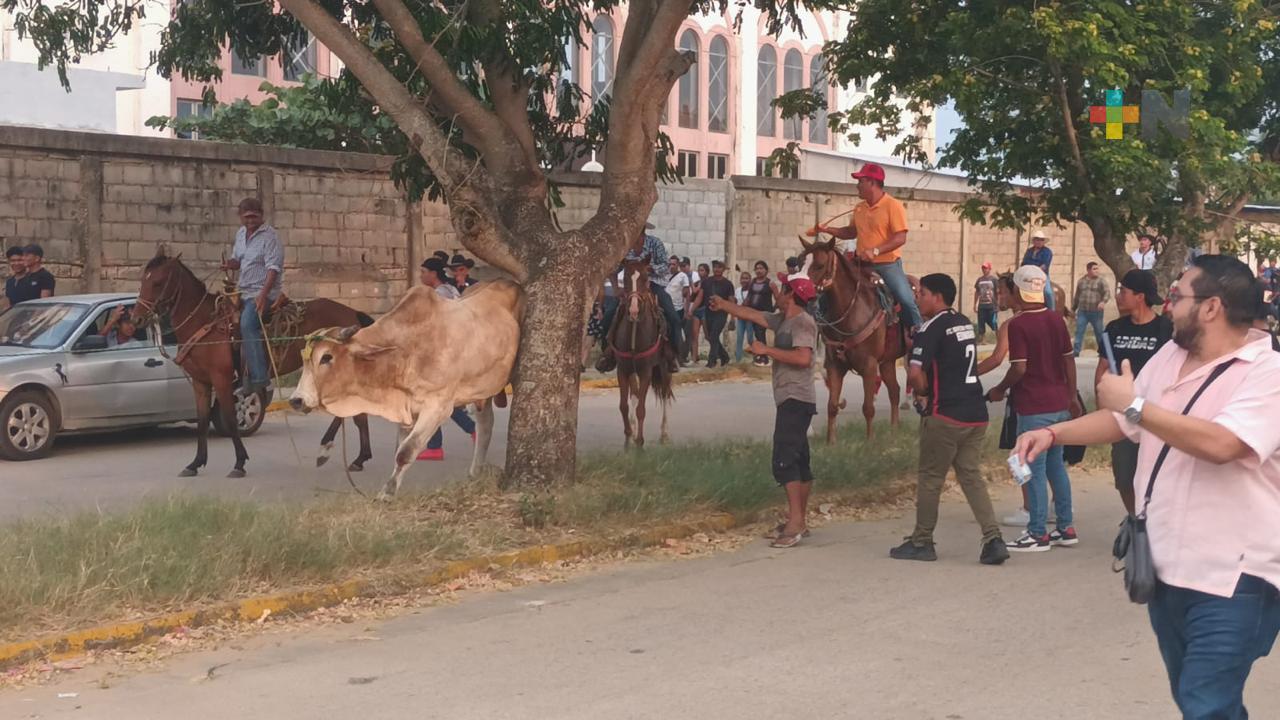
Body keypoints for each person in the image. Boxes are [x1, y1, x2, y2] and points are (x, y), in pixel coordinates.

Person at [1015, 255, 1280, 718]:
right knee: (1195, 698)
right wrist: (1053, 434)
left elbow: (1224, 444)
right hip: (1165, 567)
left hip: (1236, 577)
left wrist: (1134, 405)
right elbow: (1124, 422)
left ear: (1212, 307)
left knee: (1206, 701)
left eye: (1178, 296)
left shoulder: (1267, 373)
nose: (1168, 306)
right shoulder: (1171, 356)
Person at [891, 273, 1009, 565]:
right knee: (971, 476)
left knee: (931, 478)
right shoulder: (963, 323)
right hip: (975, 413)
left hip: (945, 414)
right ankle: (993, 538)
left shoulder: (930, 328)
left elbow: (915, 373)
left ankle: (922, 541)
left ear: (937, 297)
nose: (917, 297)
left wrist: (923, 393)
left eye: (922, 293)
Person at [709, 272, 819, 548]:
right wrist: (723, 304)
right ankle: (800, 520)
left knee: (784, 460)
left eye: (782, 288)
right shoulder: (782, 319)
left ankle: (795, 523)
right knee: (800, 461)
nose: (776, 292)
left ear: (791, 295)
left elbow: (803, 358)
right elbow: (752, 314)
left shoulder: (803, 323)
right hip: (790, 399)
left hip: (796, 399)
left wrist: (766, 350)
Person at [985, 265, 1080, 552]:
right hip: (1059, 402)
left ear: (1017, 290)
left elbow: (1019, 368)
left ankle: (1037, 532)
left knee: (1032, 467)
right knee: (1055, 466)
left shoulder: (1019, 325)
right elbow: (1068, 360)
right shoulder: (1055, 319)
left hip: (1034, 405)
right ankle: (1065, 527)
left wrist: (999, 389)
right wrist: (1072, 396)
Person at [1095, 269, 1171, 514]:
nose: (1118, 296)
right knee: (1125, 477)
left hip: (1157, 416)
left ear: (1140, 297)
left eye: (1123, 291)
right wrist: (1102, 408)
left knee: (1158, 477)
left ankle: (1153, 520)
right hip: (1124, 415)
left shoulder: (1166, 330)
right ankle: (1135, 518)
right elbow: (1103, 369)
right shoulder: (1114, 329)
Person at [815, 162, 923, 330]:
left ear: (872, 183)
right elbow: (851, 232)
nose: (857, 185)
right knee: (830, 289)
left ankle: (919, 332)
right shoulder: (859, 208)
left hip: (888, 264)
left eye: (861, 181)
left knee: (905, 299)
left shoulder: (893, 205)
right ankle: (824, 327)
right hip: (861, 264)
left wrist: (876, 251)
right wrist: (827, 229)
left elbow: (900, 238)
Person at [596, 227, 683, 373]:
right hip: (630, 286)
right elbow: (612, 269)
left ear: (642, 231)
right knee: (608, 316)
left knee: (673, 317)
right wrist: (616, 288)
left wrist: (649, 268)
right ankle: (608, 354)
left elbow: (665, 266)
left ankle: (673, 355)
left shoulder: (655, 243)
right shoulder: (624, 245)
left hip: (652, 284)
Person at [417, 256, 476, 461]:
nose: (421, 276)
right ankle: (438, 444)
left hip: (439, 354)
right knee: (439, 399)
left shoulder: (437, 295)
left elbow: (433, 325)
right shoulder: (451, 290)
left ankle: (440, 444)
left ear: (433, 274)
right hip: (452, 351)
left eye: (424, 272)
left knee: (433, 399)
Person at [222, 198, 283, 395]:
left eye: (254, 217)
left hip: (263, 292)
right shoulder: (241, 234)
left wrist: (263, 296)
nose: (250, 221)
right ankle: (238, 375)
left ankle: (259, 378)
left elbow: (273, 269)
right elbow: (238, 260)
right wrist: (230, 264)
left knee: (248, 324)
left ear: (261, 216)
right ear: (240, 217)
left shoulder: (270, 236)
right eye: (246, 217)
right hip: (242, 290)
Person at [1071, 261, 1110, 356]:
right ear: (1088, 270)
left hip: (1096, 312)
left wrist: (1103, 302)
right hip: (1083, 311)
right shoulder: (1081, 281)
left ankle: (1103, 352)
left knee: (1099, 332)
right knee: (1079, 332)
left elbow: (1107, 293)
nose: (1097, 271)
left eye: (1097, 268)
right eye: (1094, 269)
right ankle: (1076, 351)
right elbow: (1077, 296)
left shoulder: (1101, 281)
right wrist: (1073, 309)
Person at [701, 261, 735, 368]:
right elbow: (700, 296)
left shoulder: (728, 284)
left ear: (723, 269)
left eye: (719, 267)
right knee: (711, 337)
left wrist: (733, 318)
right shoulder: (707, 281)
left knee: (714, 336)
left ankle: (712, 361)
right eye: (715, 267)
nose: (717, 269)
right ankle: (724, 356)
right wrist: (691, 310)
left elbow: (731, 301)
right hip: (708, 313)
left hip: (721, 314)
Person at [743, 260, 778, 366]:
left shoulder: (770, 283)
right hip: (753, 312)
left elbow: (778, 297)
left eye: (761, 268)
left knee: (760, 333)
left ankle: (764, 357)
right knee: (757, 334)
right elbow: (749, 296)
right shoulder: (752, 282)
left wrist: (773, 308)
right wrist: (743, 308)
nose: (759, 270)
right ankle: (761, 355)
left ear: (766, 270)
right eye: (757, 268)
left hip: (764, 313)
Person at [664, 255, 691, 359]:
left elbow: (687, 294)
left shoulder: (682, 276)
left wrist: (686, 311)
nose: (671, 266)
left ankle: (679, 356)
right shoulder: (664, 275)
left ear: (678, 265)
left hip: (677, 309)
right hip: (665, 308)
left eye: (674, 264)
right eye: (670, 264)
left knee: (677, 331)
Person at [1021, 230, 1056, 310]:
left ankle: (1052, 311)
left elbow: (1044, 266)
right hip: (1028, 276)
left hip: (1042, 276)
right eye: (1037, 239)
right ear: (1034, 241)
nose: (1039, 241)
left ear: (1043, 242)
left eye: (1041, 240)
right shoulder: (1029, 251)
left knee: (1048, 292)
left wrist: (1034, 270)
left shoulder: (1047, 252)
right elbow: (1023, 263)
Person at [972, 262, 999, 343]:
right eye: (983, 268)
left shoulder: (994, 280)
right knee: (981, 322)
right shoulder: (979, 280)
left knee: (993, 322)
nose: (984, 270)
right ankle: (983, 340)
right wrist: (975, 304)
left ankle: (999, 338)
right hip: (982, 305)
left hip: (992, 305)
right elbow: (977, 292)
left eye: (986, 268)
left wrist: (998, 304)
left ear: (989, 269)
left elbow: (997, 292)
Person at [734, 270, 752, 363]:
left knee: (750, 338)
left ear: (750, 280)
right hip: (740, 318)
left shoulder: (752, 291)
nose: (744, 280)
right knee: (739, 338)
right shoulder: (737, 290)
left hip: (750, 318)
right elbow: (734, 304)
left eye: (746, 278)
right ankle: (738, 360)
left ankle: (755, 357)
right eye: (742, 278)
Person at [4, 245, 28, 309]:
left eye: (20, 260)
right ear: (9, 262)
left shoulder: (33, 279)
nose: (16, 263)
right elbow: (8, 306)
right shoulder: (10, 282)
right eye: (13, 261)